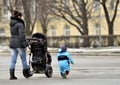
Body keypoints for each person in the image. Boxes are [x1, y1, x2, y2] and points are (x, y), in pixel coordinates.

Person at [9, 10, 33, 80]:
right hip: (19, 44)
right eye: (21, 16)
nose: (22, 18)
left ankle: (12, 75)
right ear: (19, 16)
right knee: (23, 59)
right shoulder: (20, 24)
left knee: (13, 60)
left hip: (12, 43)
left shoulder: (11, 23)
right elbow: (21, 35)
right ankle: (26, 73)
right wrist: (25, 44)